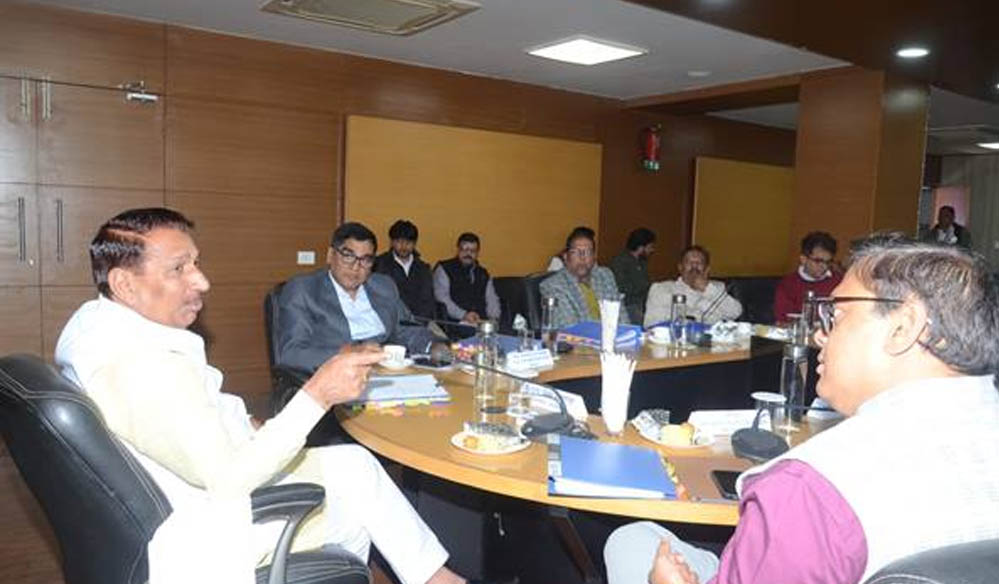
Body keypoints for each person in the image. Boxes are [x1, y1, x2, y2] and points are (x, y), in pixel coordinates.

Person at [55, 208, 494, 584]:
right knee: (360, 504)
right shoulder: (138, 365)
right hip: (207, 528)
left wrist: (249, 423)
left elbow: (195, 414)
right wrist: (318, 393)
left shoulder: (110, 330)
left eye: (196, 263)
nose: (202, 281)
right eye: (179, 268)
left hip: (209, 480)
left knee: (357, 464)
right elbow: (228, 478)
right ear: (125, 284)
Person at [605, 234, 999, 584]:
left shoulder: (810, 488)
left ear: (903, 327)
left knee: (631, 543)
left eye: (837, 316)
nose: (819, 335)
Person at [275, 222, 434, 373]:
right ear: (330, 255)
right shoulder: (303, 290)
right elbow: (291, 353)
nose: (356, 267)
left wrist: (432, 346)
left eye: (365, 259)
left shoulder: (384, 286)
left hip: (388, 372)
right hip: (338, 375)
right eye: (348, 256)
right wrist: (348, 353)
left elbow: (406, 328)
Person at [540, 226, 628, 329]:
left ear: (594, 257)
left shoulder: (605, 275)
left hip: (614, 337)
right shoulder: (553, 285)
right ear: (566, 257)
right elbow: (571, 327)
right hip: (582, 338)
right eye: (576, 252)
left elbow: (622, 316)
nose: (582, 258)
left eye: (588, 252)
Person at [644, 245, 741, 327]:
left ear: (707, 269)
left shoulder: (717, 288)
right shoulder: (661, 289)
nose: (694, 266)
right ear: (680, 268)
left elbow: (735, 313)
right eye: (689, 262)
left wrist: (707, 288)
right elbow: (650, 324)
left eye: (699, 263)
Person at [773, 231, 842, 323]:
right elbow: (783, 319)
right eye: (818, 261)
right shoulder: (788, 284)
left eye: (828, 262)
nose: (824, 266)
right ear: (803, 259)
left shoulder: (838, 282)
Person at [433, 232, 501, 325]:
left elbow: (491, 299)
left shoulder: (483, 273)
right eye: (464, 249)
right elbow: (442, 298)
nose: (468, 254)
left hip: (481, 321)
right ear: (458, 250)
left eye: (473, 251)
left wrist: (494, 319)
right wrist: (464, 315)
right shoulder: (444, 269)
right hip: (455, 321)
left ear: (477, 253)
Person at [374, 219, 436, 320]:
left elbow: (427, 300)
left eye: (408, 242)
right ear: (392, 242)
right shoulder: (379, 265)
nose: (404, 246)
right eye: (399, 241)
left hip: (419, 321)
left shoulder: (423, 268)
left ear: (414, 243)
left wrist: (417, 322)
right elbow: (378, 298)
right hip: (388, 320)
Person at [609, 228, 656, 324]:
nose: (652, 250)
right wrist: (643, 286)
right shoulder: (620, 262)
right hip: (628, 305)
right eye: (650, 247)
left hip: (642, 304)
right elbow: (621, 288)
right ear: (641, 247)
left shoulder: (642, 262)